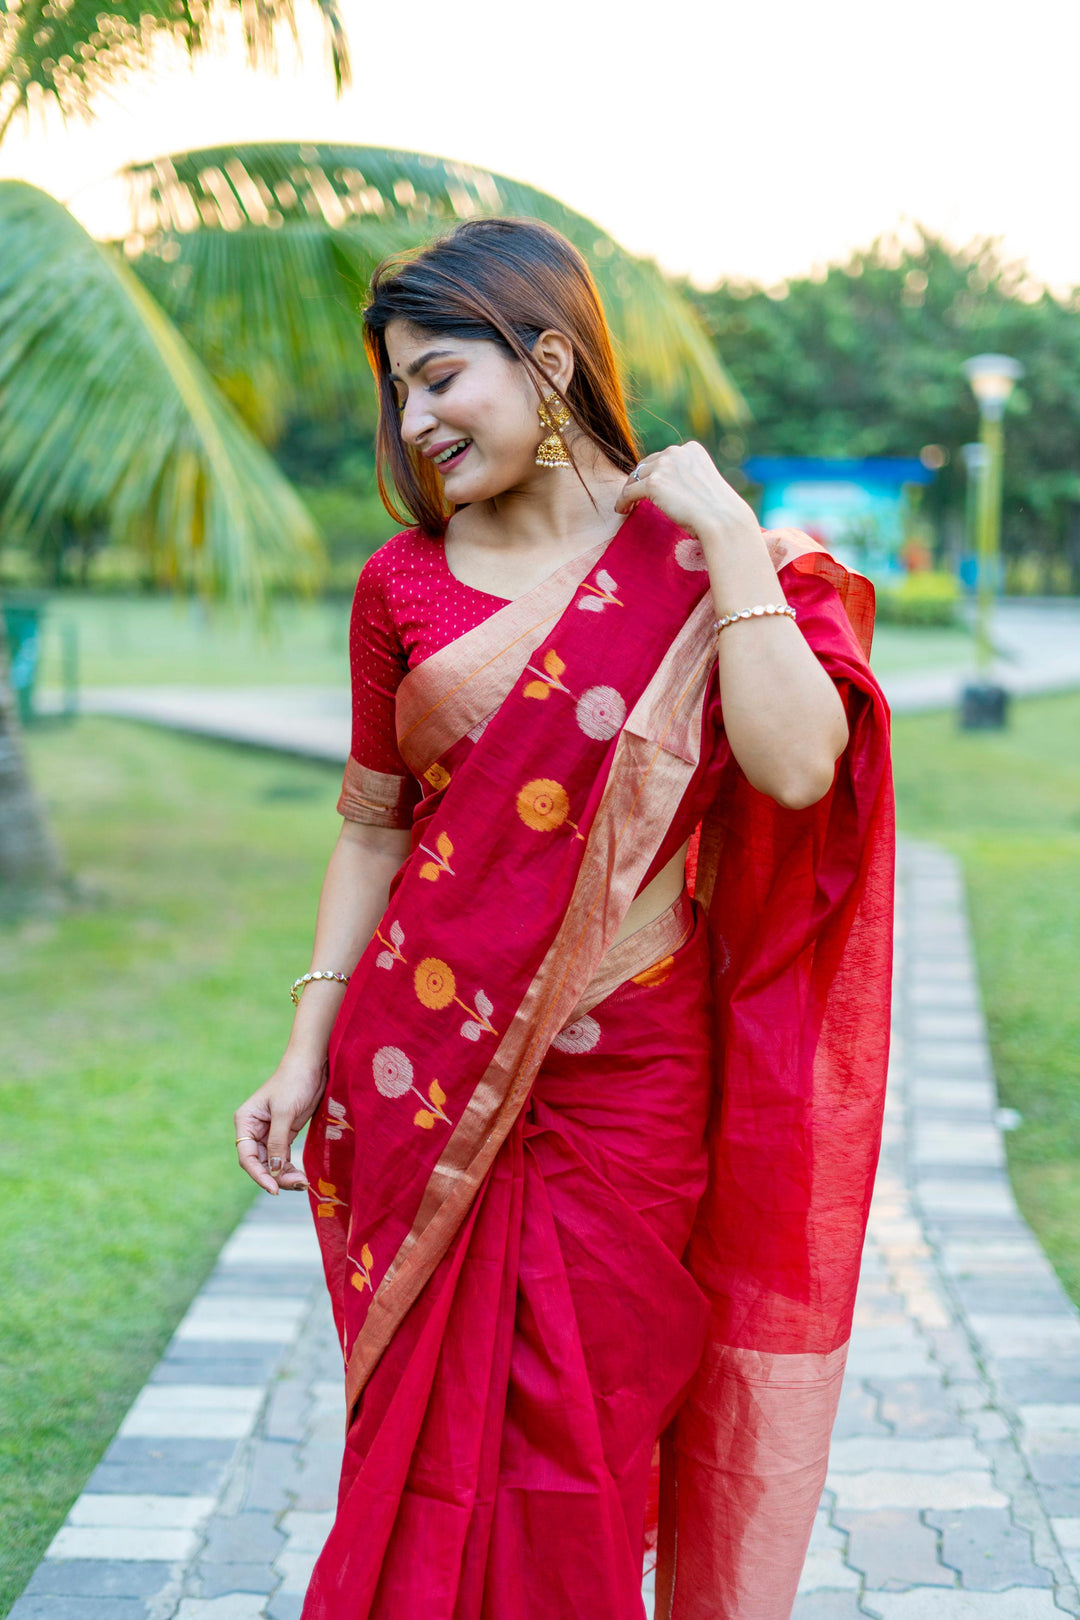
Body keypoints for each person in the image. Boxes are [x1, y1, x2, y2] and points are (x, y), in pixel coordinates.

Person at [233, 217, 895, 1620]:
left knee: (580, 1449)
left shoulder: (707, 560)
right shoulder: (401, 585)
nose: (413, 422)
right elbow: (371, 826)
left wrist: (721, 535)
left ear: (547, 360)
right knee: (420, 1451)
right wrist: (305, 1048)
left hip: (631, 1090)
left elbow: (796, 767)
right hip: (418, 1079)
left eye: (439, 378)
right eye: (397, 392)